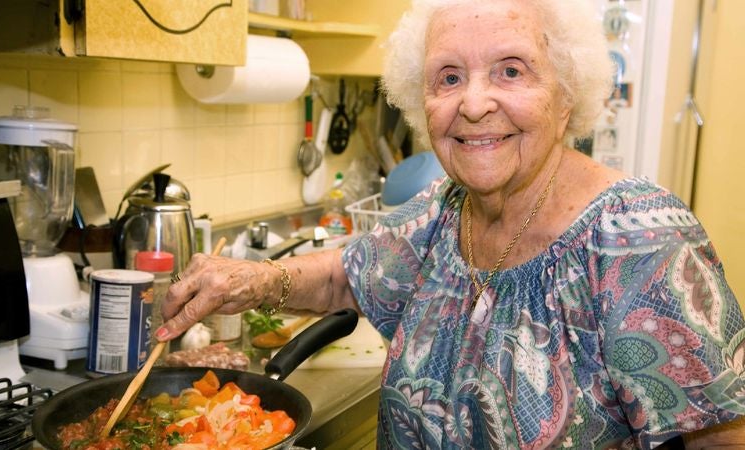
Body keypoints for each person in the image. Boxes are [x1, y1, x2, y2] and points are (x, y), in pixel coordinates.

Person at [156, 0, 745, 447]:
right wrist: (249, 281)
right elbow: (345, 276)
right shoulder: (444, 210)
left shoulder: (639, 237)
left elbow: (721, 437)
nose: (473, 103)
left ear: (566, 94)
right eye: (449, 77)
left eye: (511, 71)